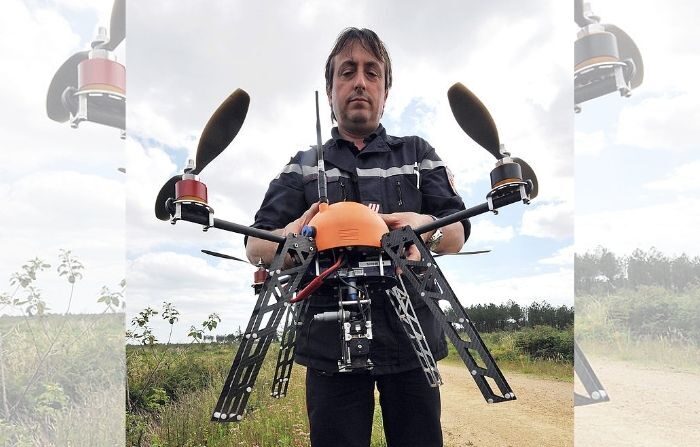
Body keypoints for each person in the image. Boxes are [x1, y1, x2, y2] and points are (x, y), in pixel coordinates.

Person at [246, 27, 471, 447]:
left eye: (372, 72)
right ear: (330, 90)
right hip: (330, 344)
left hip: (412, 339)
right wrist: (299, 235)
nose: (360, 81)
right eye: (347, 72)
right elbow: (255, 247)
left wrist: (424, 229)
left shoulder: (418, 154)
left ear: (386, 90)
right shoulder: (302, 167)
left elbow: (457, 232)